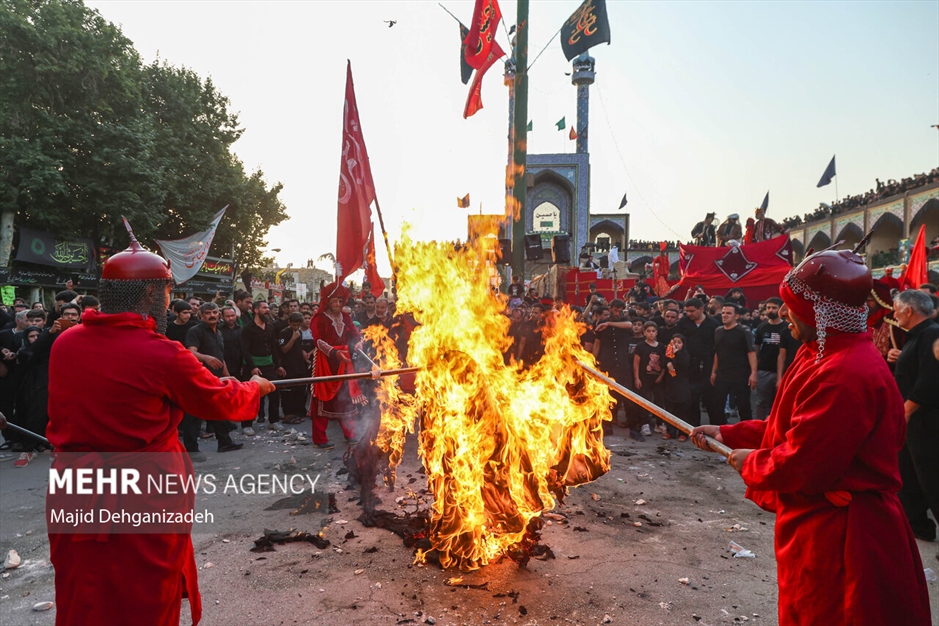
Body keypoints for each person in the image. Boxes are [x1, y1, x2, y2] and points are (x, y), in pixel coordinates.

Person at [691, 248, 931, 625]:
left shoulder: (844, 373)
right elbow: (789, 426)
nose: (784, 314)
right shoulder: (817, 352)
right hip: (816, 525)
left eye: (793, 306)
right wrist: (728, 431)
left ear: (821, 314)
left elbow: (805, 460)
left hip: (844, 537)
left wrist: (749, 461)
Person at [45, 236, 275, 626]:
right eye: (168, 291)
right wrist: (256, 388)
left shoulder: (65, 342)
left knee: (83, 589)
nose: (170, 301)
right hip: (141, 493)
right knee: (146, 596)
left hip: (75, 486)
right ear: (152, 292)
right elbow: (219, 400)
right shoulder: (161, 354)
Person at [888, 289, 939, 550]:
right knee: (909, 475)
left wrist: (905, 412)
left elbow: (930, 381)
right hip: (912, 422)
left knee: (931, 478)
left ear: (908, 310)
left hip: (925, 422)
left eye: (896, 309)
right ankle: (919, 526)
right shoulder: (915, 337)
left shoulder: (932, 333)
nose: (893, 313)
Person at [310, 282, 364, 448]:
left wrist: (358, 342)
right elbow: (318, 340)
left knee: (345, 398)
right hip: (325, 361)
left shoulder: (346, 317)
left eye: (340, 301)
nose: (337, 304)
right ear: (327, 301)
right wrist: (334, 353)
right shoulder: (319, 318)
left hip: (344, 362)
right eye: (334, 301)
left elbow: (355, 335)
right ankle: (320, 439)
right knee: (322, 399)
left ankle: (350, 433)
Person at [185, 302, 243, 453]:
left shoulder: (218, 332)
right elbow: (190, 352)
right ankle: (191, 450)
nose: (212, 315)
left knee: (219, 410)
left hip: (216, 379)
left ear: (219, 314)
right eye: (208, 313)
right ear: (201, 315)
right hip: (199, 379)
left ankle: (224, 442)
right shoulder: (196, 331)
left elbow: (220, 357)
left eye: (214, 312)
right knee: (194, 415)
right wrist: (205, 358)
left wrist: (229, 377)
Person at [241, 300, 286, 431]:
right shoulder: (248, 329)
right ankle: (247, 425)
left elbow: (274, 348)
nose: (267, 310)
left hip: (269, 365)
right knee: (251, 396)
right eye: (264, 308)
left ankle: (274, 420)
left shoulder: (270, 326)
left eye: (267, 308)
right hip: (253, 367)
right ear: (256, 310)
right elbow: (245, 350)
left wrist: (278, 365)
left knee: (274, 393)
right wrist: (252, 367)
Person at [752, 297, 787, 420]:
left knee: (781, 403)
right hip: (764, 370)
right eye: (768, 308)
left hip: (783, 371)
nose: (770, 310)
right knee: (761, 402)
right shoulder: (762, 328)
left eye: (773, 308)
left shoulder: (787, 328)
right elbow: (755, 351)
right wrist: (754, 372)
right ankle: (759, 427)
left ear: (780, 309)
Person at [633, 321, 665, 438]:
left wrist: (661, 376)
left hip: (657, 380)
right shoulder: (641, 346)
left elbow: (664, 364)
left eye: (653, 331)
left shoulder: (661, 346)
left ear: (656, 332)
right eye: (648, 331)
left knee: (659, 401)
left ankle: (659, 423)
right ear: (644, 332)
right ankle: (644, 423)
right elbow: (636, 363)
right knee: (644, 401)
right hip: (644, 378)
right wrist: (637, 378)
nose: (651, 334)